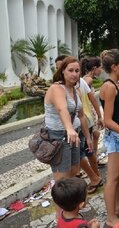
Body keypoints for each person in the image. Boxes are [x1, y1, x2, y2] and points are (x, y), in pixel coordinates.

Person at [45, 56, 92, 219]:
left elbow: (82, 116)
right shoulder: (56, 89)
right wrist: (69, 128)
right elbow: (61, 109)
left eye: (77, 70)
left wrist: (87, 136)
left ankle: (71, 209)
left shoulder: (76, 90)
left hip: (74, 135)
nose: (74, 74)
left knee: (74, 172)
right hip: (59, 136)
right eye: (70, 70)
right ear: (62, 71)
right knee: (61, 182)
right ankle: (60, 217)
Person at [99, 49, 119, 228]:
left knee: (117, 176)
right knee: (112, 179)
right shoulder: (109, 86)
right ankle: (111, 218)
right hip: (117, 136)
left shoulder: (113, 84)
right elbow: (108, 120)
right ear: (114, 66)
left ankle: (117, 207)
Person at [79, 57, 104, 194]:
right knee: (87, 148)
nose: (101, 70)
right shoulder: (87, 80)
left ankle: (95, 176)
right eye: (100, 67)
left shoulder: (84, 80)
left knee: (86, 149)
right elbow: (89, 100)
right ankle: (95, 174)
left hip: (86, 116)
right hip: (87, 115)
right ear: (94, 68)